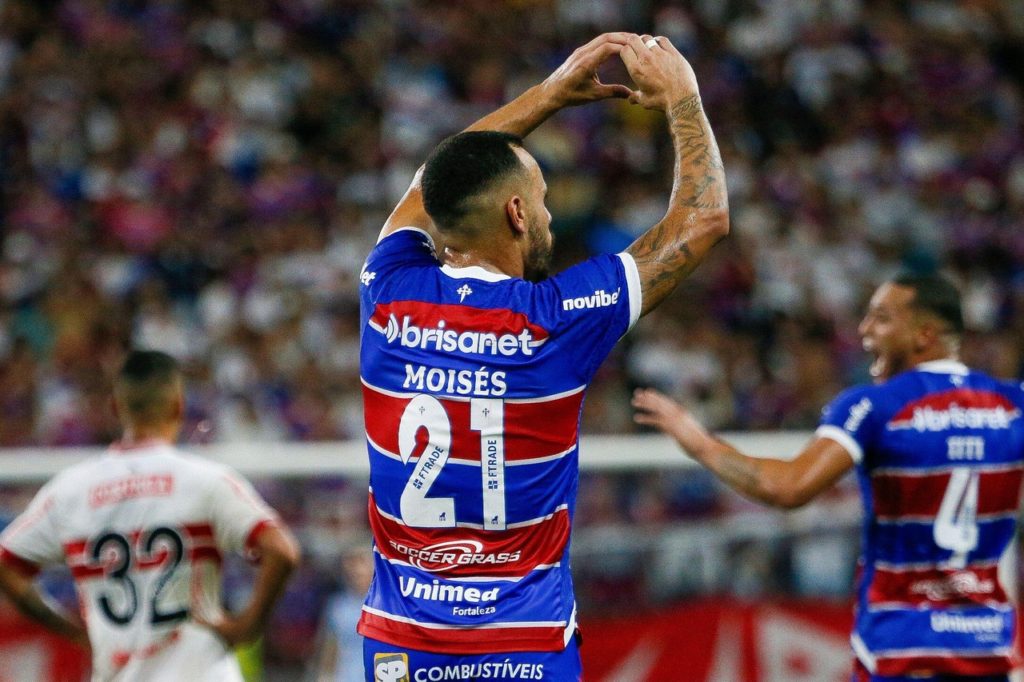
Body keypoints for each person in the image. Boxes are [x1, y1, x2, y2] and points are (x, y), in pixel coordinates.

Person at [358, 31, 728, 681]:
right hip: (523, 644)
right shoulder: (558, 319)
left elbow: (435, 180)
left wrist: (548, 94)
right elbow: (703, 219)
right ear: (518, 214)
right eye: (545, 204)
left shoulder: (386, 292)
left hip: (402, 645)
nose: (552, 222)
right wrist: (684, 101)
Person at [633, 273, 1024, 682]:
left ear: (924, 334)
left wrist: (699, 444)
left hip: (904, 649)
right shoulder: (1011, 403)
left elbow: (786, 488)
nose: (864, 329)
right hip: (986, 644)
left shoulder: (876, 406)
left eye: (882, 318)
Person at [0, 350, 301, 681]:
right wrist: (247, 625)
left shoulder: (70, 490)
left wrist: (71, 631)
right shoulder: (204, 480)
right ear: (178, 406)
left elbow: (6, 563)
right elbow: (282, 550)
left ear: (116, 408)